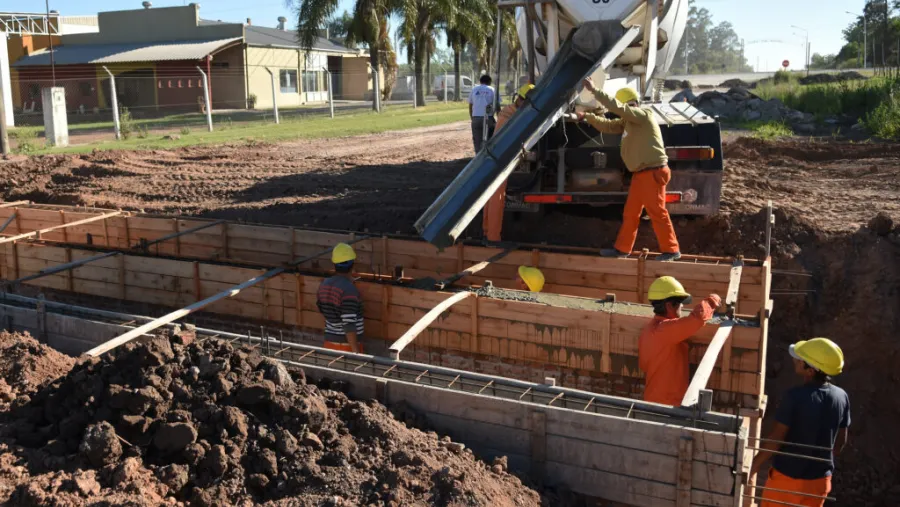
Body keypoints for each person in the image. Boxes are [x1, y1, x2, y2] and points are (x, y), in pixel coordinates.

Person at [578, 78, 681, 262]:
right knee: (631, 213)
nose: (630, 108)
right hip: (641, 174)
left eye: (631, 105)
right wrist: (587, 116)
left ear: (635, 104)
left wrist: (595, 90)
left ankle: (671, 250)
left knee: (657, 212)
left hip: (652, 172)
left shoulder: (643, 115)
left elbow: (620, 109)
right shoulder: (627, 123)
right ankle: (622, 249)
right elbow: (607, 126)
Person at [751, 338, 849, 507]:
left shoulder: (794, 396)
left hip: (786, 482)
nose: (794, 360)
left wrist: (752, 467)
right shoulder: (842, 397)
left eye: (799, 359)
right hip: (819, 483)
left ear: (810, 370)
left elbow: (776, 440)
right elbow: (840, 443)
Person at [639, 276, 720, 405]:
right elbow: (698, 318)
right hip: (668, 405)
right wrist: (712, 301)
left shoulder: (648, 330)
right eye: (680, 302)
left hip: (653, 401)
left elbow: (643, 365)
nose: (682, 306)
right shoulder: (665, 330)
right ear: (669, 305)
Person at [483, 83, 535, 242]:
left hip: (495, 158)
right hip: (500, 160)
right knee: (497, 197)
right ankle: (493, 238)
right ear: (522, 100)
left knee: (489, 195)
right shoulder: (512, 115)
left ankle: (486, 232)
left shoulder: (509, 111)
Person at [315, 243, 364, 353]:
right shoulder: (349, 290)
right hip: (347, 347)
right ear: (352, 265)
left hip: (329, 344)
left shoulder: (324, 285)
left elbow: (321, 308)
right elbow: (348, 324)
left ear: (334, 264)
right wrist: (355, 352)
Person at [469, 75, 496, 153]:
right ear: (489, 82)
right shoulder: (492, 90)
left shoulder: (474, 89)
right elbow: (496, 105)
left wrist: (472, 118)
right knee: (490, 140)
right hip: (489, 118)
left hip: (476, 118)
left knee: (477, 141)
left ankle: (478, 158)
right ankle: (489, 156)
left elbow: (470, 105)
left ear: (480, 82)